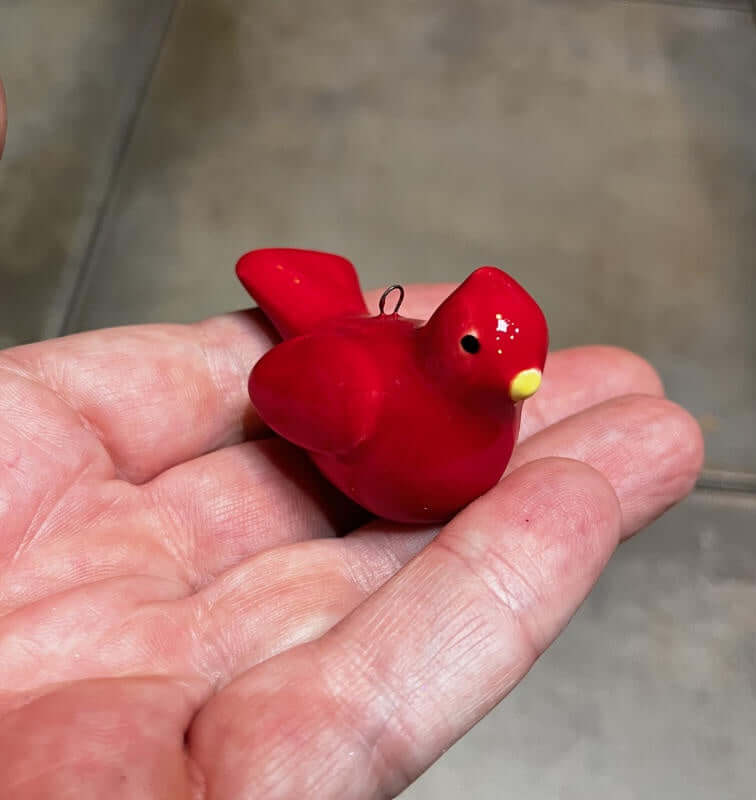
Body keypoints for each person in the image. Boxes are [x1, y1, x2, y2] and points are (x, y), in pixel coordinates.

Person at [0, 78, 703, 798]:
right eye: (481, 354)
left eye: (526, 369)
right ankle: (314, 294)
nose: (523, 385)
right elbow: (273, 387)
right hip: (337, 354)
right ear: (448, 345)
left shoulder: (498, 406)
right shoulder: (361, 400)